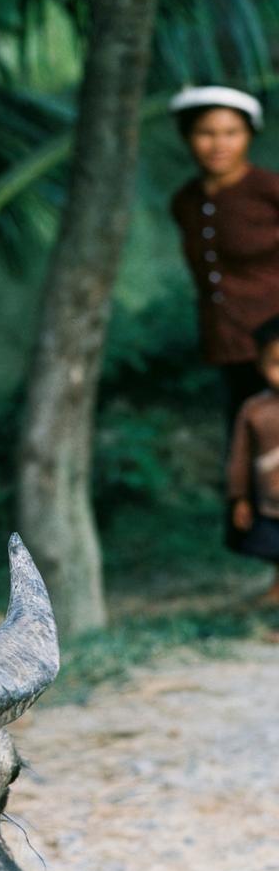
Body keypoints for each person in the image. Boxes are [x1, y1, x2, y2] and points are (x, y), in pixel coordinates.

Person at [168, 85, 279, 433]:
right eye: (206, 133)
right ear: (187, 137)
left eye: (231, 133)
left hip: (276, 343)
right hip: (228, 341)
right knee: (247, 433)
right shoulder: (186, 201)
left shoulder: (269, 190)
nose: (219, 145)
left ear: (249, 136)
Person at [226, 313, 279, 603]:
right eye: (277, 363)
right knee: (273, 546)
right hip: (270, 501)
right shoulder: (254, 410)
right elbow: (239, 458)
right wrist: (240, 497)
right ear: (260, 364)